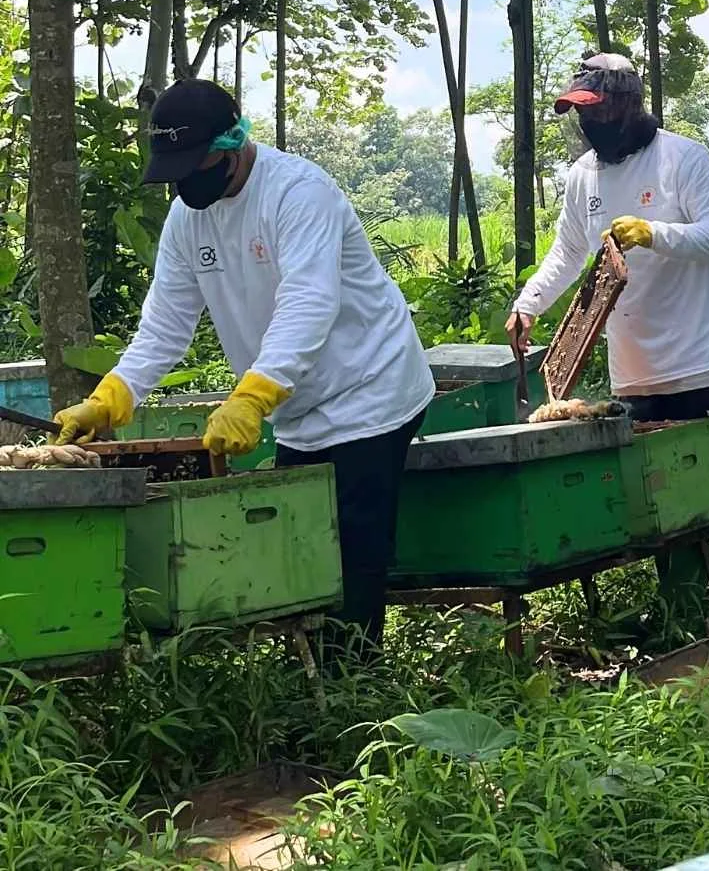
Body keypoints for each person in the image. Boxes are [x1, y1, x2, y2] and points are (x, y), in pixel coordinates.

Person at [53, 78, 435, 654]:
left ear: (231, 144)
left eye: (193, 164)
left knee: (354, 547)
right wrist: (112, 395)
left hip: (369, 389)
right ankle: (311, 686)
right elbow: (165, 324)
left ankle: (356, 694)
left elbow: (309, 303)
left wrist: (253, 395)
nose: (184, 182)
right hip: (298, 406)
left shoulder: (299, 193)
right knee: (300, 547)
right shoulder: (189, 218)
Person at [506, 53, 709, 539]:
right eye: (581, 112)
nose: (589, 122)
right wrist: (529, 303)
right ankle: (684, 600)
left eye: (597, 109)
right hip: (634, 375)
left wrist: (655, 233)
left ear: (627, 105)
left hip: (699, 364)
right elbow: (567, 251)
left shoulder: (681, 157)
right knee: (657, 499)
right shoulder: (583, 174)